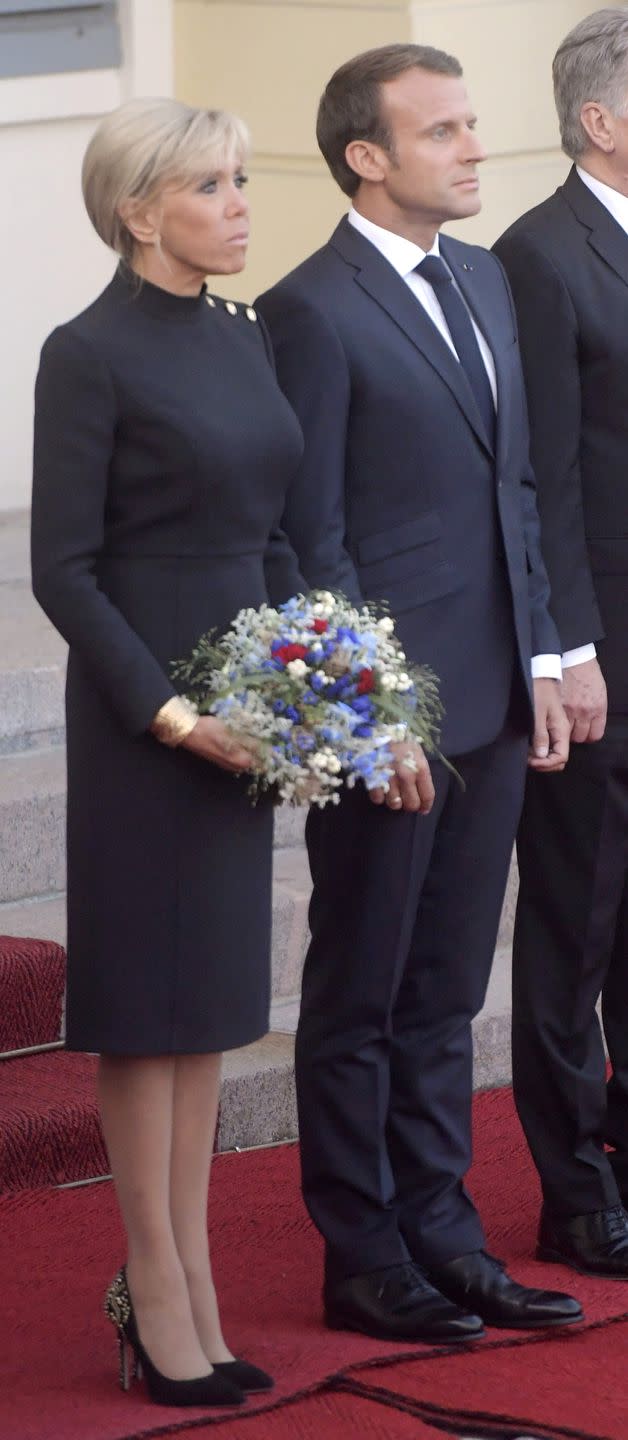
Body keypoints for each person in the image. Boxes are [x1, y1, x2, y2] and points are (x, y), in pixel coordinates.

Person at [257, 44, 582, 1343]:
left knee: (449, 990)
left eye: (468, 123)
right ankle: (365, 1253)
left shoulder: (491, 277)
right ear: (365, 156)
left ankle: (444, 1233)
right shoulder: (308, 308)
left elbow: (520, 490)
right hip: (389, 719)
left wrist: (547, 654)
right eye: (440, 130)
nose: (472, 144)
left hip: (498, 693)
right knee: (364, 989)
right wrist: (361, 717)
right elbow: (305, 539)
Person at [30, 97, 303, 1407]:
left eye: (242, 179)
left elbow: (280, 530)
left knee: (206, 1017)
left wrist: (309, 689)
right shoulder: (87, 352)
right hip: (154, 728)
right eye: (211, 184)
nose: (241, 201)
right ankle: (157, 1297)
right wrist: (179, 717)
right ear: (140, 211)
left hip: (247, 714)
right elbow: (63, 572)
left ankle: (191, 1286)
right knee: (146, 1019)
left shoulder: (244, 337)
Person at [494, 7, 628, 1278]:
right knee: (575, 926)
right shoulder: (540, 254)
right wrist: (563, 647)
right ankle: (570, 1188)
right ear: (601, 120)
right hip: (599, 653)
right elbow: (539, 475)